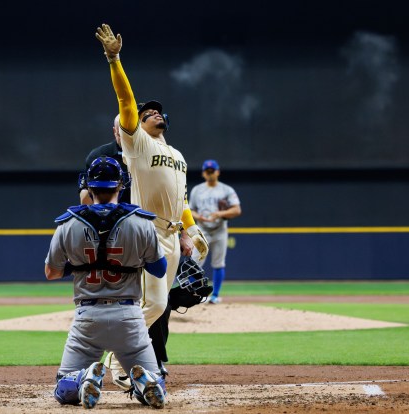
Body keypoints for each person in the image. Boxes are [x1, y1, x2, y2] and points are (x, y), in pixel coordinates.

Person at [95, 23, 209, 387]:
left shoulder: (177, 154)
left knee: (157, 306)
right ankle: (112, 363)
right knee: (153, 305)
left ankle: (128, 361)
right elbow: (126, 101)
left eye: (159, 112)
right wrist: (114, 59)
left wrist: (191, 229)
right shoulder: (138, 145)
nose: (155, 114)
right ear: (137, 126)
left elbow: (183, 199)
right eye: (149, 114)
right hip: (148, 233)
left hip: (173, 235)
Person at [45, 156, 168, 409]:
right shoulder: (142, 222)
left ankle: (82, 377)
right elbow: (159, 269)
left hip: (88, 317)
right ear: (120, 186)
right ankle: (146, 383)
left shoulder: (67, 224)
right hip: (130, 318)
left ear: (89, 187)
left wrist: (79, 265)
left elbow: (51, 273)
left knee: (64, 389)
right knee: (158, 386)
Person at [189, 160, 242, 304]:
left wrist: (219, 214)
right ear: (203, 173)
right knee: (194, 264)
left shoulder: (226, 190)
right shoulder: (197, 190)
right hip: (202, 231)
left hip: (220, 230)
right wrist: (198, 216)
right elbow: (189, 210)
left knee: (219, 263)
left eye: (212, 171)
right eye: (208, 171)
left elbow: (237, 209)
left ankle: (215, 295)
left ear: (218, 172)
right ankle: (195, 294)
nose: (210, 173)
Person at [78, 115, 130, 205]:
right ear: (115, 131)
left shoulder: (154, 154)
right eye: (122, 134)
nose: (128, 140)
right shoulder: (98, 156)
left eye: (131, 134)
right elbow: (85, 198)